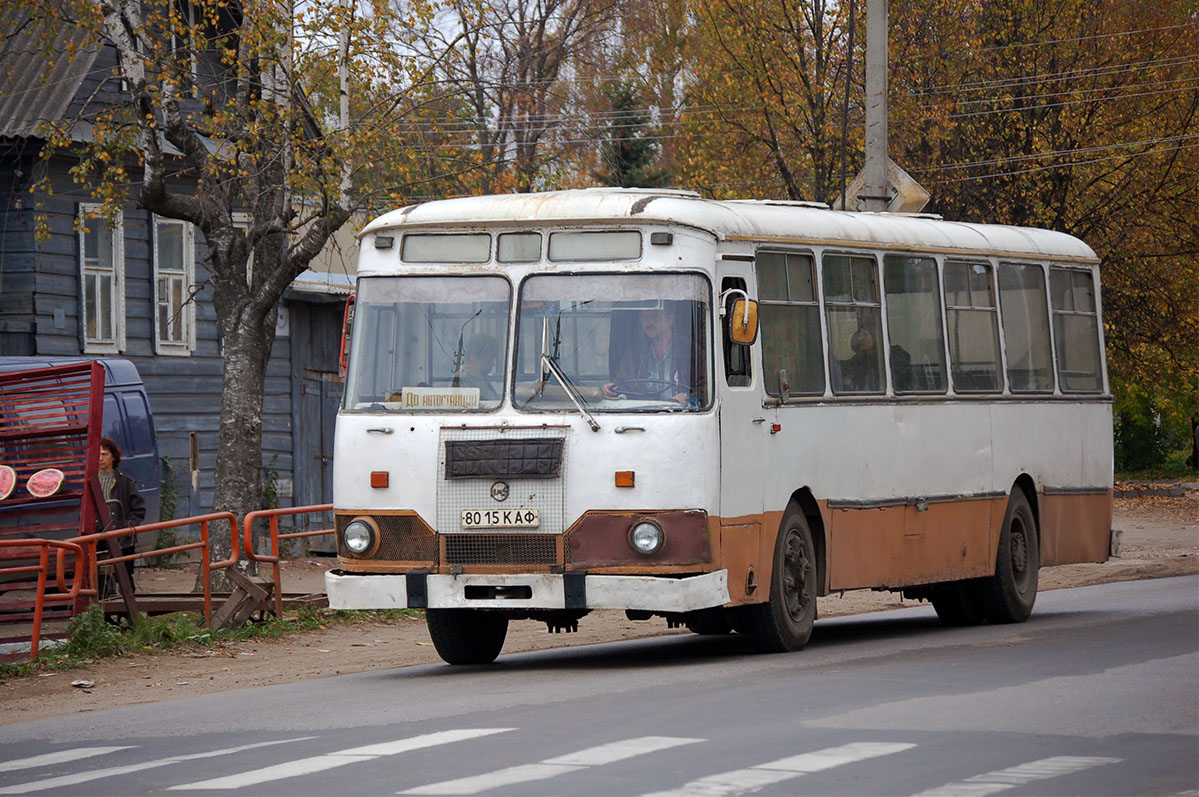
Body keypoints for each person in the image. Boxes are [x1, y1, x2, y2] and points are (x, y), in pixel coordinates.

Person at [604, 306, 701, 405]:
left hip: (680, 415)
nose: (648, 323)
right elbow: (624, 384)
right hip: (643, 414)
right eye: (644, 317)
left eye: (655, 317)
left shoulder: (688, 349)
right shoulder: (635, 352)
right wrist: (612, 389)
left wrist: (687, 396)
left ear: (670, 319)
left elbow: (706, 387)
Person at [97, 437, 145, 595]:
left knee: (124, 577)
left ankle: (130, 612)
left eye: (104, 454)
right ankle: (105, 615)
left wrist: (128, 528)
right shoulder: (89, 482)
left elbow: (139, 510)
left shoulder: (125, 482)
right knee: (99, 578)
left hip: (122, 540)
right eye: (97, 454)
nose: (100, 458)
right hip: (97, 538)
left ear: (113, 457)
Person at [452, 333, 500, 401]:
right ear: (474, 357)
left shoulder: (479, 378)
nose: (492, 365)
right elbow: (491, 403)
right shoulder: (464, 379)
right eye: (489, 360)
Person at [841, 325, 882, 392]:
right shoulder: (857, 360)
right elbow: (849, 371)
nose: (860, 338)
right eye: (859, 335)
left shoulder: (893, 355)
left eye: (865, 335)